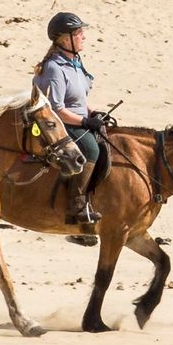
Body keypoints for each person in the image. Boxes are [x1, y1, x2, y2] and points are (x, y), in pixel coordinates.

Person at [33, 12, 105, 230]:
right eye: (79, 33)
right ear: (65, 39)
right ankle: (76, 203)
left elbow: (79, 99)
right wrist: (84, 122)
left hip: (76, 119)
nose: (84, 37)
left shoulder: (74, 63)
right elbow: (56, 108)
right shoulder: (55, 67)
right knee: (91, 150)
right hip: (57, 124)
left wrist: (93, 113)